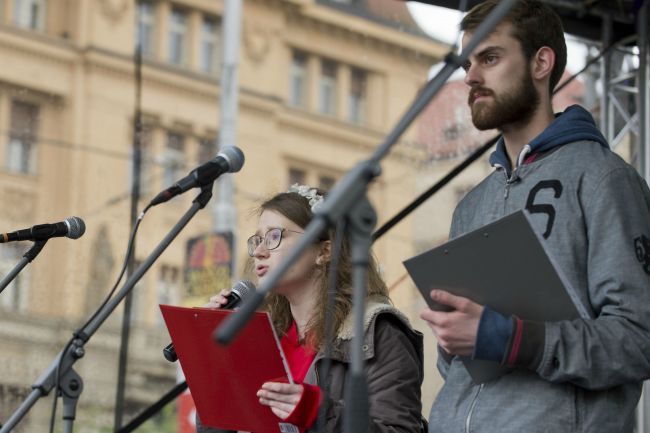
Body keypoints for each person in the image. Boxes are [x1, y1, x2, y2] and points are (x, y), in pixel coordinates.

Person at [419, 1, 650, 432]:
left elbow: (639, 339)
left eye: (489, 58)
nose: (470, 76)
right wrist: (456, 338)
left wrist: (515, 339)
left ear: (541, 62)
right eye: (468, 62)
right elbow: (458, 369)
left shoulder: (603, 178)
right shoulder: (470, 205)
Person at [197, 184, 425, 433]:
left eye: (274, 236)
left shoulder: (377, 331)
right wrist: (218, 360)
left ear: (325, 250)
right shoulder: (264, 337)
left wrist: (316, 412)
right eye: (258, 240)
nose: (259, 252)